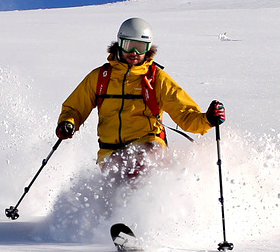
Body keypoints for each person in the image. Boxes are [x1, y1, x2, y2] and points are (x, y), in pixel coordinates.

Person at [55, 18, 225, 181]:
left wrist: (207, 119)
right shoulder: (100, 77)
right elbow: (75, 108)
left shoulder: (157, 79)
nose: (134, 53)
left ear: (148, 49)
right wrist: (67, 123)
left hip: (148, 144)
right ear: (120, 44)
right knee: (113, 190)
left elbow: (184, 113)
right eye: (129, 46)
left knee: (141, 164)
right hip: (110, 152)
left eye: (140, 47)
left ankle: (159, 203)